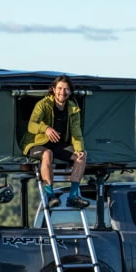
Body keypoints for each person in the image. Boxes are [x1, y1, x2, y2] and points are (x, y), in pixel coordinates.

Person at [21, 75, 91, 209]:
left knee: (82, 156)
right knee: (47, 154)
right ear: (53, 89)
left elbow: (76, 132)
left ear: (70, 91)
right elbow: (31, 125)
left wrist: (79, 149)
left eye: (66, 89)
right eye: (59, 88)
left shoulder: (73, 108)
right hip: (37, 143)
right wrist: (45, 129)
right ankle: (50, 196)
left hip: (58, 145)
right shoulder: (43, 104)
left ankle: (73, 197)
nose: (62, 92)